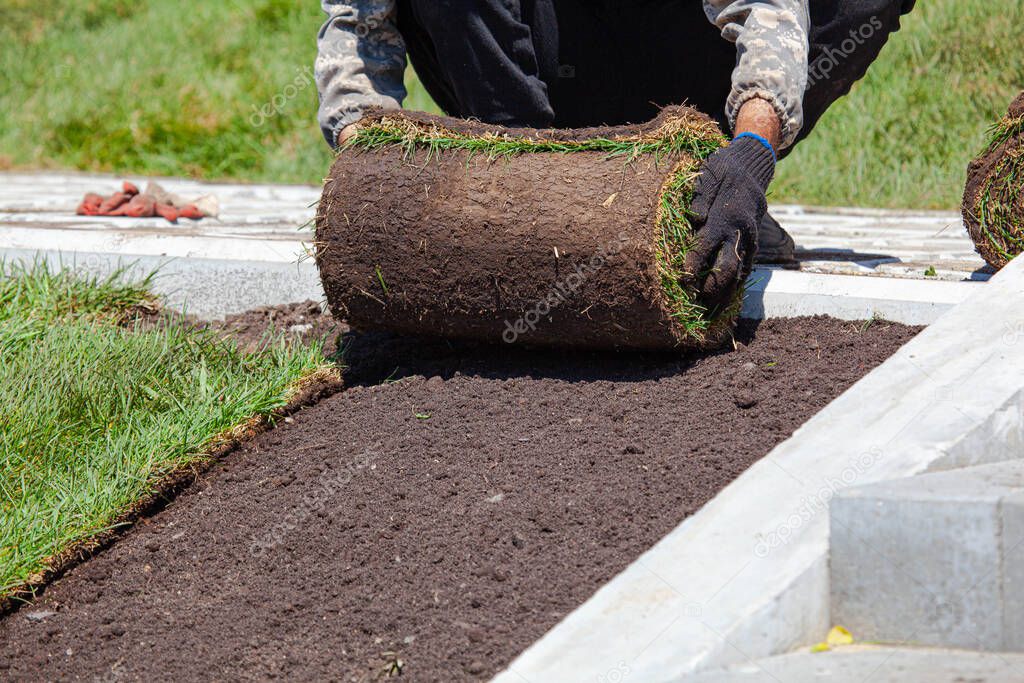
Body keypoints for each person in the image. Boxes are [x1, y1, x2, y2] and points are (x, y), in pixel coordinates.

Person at [315, 0, 915, 309]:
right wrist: (373, 169)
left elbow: (768, 8)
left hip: (658, 54)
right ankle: (524, 195)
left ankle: (696, 184)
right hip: (519, 72)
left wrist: (751, 152)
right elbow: (356, 30)